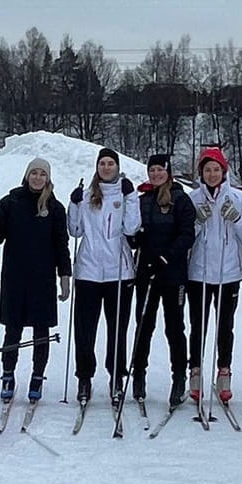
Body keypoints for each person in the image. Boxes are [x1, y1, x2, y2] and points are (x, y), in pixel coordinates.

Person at [0, 157, 71, 404]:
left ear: (48, 178)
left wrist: (65, 275)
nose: (37, 178)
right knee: (12, 329)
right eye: (34, 173)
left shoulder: (54, 207)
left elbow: (61, 244)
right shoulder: (10, 202)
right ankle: (8, 374)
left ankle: (37, 376)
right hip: (15, 276)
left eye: (42, 174)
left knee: (41, 331)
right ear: (27, 176)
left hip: (43, 278)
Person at [67, 147, 142, 405]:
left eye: (111, 163)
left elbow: (132, 227)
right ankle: (84, 377)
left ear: (117, 167)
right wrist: (74, 204)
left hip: (118, 272)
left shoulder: (124, 193)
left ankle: (117, 376)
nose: (106, 167)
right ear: (97, 167)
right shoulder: (88, 195)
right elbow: (75, 230)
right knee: (84, 329)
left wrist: (131, 197)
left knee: (117, 328)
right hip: (88, 271)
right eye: (103, 164)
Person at [185, 147, 242, 406]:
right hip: (200, 271)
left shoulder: (237, 197)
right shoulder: (193, 198)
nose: (212, 174)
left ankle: (224, 371)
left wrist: (235, 218)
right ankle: (195, 371)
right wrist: (197, 221)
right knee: (198, 324)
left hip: (229, 272)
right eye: (207, 170)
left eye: (216, 169)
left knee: (225, 324)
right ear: (201, 173)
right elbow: (185, 235)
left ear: (223, 171)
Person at [129, 154, 197, 406]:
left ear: (168, 172)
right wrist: (134, 238)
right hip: (146, 271)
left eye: (160, 169)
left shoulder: (180, 199)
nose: (156, 174)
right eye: (152, 170)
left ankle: (179, 376)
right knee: (144, 324)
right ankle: (138, 374)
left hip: (172, 272)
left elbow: (187, 234)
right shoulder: (142, 199)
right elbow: (132, 231)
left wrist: (167, 257)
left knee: (174, 327)